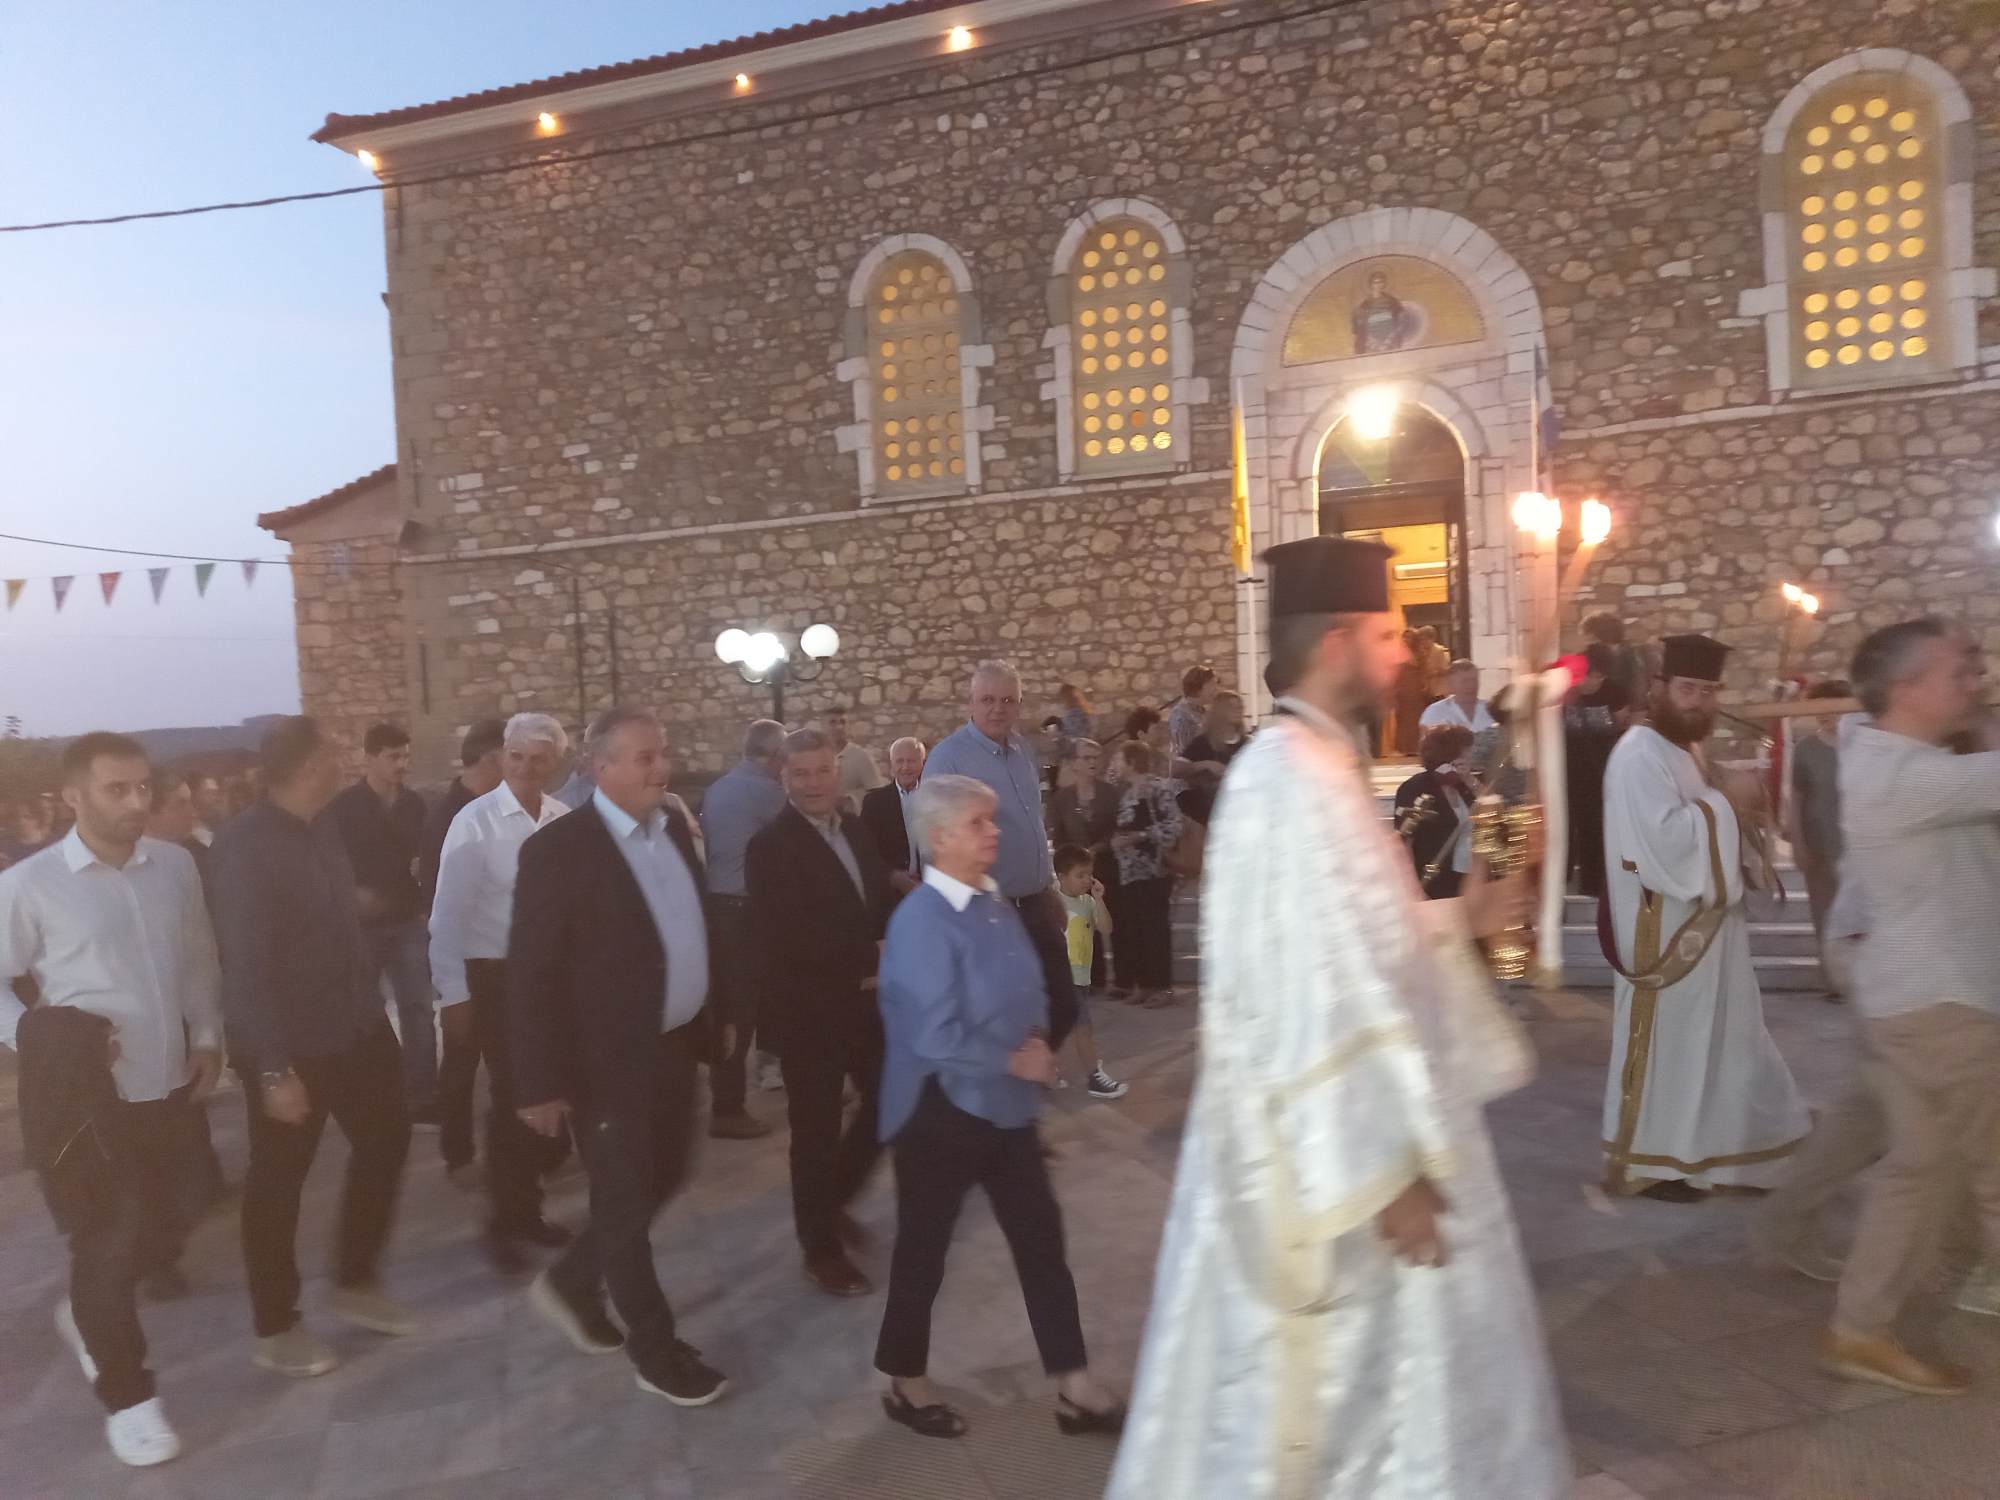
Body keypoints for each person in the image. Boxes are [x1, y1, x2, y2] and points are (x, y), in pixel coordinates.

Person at [1108, 537, 1566, 1499]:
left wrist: (1464, 918)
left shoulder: (1316, 767)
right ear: (1337, 642)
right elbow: (1300, 994)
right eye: (1389, 635)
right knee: (1343, 1413)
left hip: (1364, 1147)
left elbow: (1362, 942)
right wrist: (1384, 1173)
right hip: (1331, 1175)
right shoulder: (1288, 781)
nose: (1406, 655)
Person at [872, 774, 1126, 1440]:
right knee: (925, 1248)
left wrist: (1037, 1038)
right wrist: (1015, 1060)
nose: (995, 831)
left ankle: (1073, 1384)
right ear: (939, 837)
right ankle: (905, 1379)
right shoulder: (921, 921)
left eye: (992, 819)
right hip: (937, 1112)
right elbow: (933, 1034)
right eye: (978, 823)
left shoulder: (990, 901)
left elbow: (1025, 985)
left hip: (1005, 1107)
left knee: (1041, 1240)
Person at [0, 733, 223, 1468]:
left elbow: (197, 956)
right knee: (109, 1237)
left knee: (177, 1214)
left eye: (142, 787)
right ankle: (130, 1399)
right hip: (87, 1101)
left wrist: (207, 1035)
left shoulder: (175, 866)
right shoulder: (30, 885)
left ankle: (89, 1308)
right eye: (116, 789)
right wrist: (39, 1038)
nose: (136, 802)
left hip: (169, 1083)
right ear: (74, 797)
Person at [510, 707, 731, 1407]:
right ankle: (656, 1352)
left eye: (662, 753)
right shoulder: (559, 850)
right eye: (644, 757)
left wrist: (716, 1014)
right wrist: (537, 1082)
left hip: (672, 1047)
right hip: (603, 1063)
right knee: (626, 1201)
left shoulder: (674, 831)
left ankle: (573, 1282)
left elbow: (693, 926)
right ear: (599, 767)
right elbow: (531, 972)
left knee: (667, 1173)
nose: (662, 768)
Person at [1811, 619, 2000, 1394]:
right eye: (1960, 671)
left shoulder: (1901, 761)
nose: (1976, 680)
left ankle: (1860, 1329)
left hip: (1913, 1001)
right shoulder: (1901, 775)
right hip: (1944, 1004)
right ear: (1906, 689)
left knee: (1919, 1166)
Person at [212, 717, 417, 1379]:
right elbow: (244, 966)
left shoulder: (322, 826)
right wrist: (273, 1071)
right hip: (292, 1044)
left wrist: (354, 907)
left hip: (357, 1025)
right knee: (278, 1183)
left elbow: (325, 912)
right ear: (306, 767)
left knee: (387, 1139)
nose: (343, 760)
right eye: (333, 753)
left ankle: (356, 1280)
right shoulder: (243, 846)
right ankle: (276, 1326)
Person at [1600, 634, 1810, 1201]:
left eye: (1710, 691)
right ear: (1660, 687)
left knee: (1722, 1039)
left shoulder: (1684, 748)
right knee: (1673, 1046)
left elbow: (1701, 816)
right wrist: (1727, 802)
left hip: (1706, 923)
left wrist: (1726, 800)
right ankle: (1654, 1163)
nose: (1699, 702)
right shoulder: (1638, 754)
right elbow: (1662, 841)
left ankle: (1722, 1153)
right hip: (1664, 930)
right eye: (1689, 689)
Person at [747, 729, 891, 1297]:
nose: (812, 783)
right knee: (815, 1133)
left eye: (822, 771)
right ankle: (820, 1250)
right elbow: (787, 937)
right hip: (809, 1011)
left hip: (869, 1003)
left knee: (889, 1103)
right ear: (783, 777)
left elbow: (872, 900)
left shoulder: (853, 829)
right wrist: (871, 955)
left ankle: (833, 1199)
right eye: (800, 773)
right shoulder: (770, 847)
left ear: (838, 771)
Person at [429, 713, 574, 1267]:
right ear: (502, 757)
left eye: (539, 759)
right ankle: (510, 1220)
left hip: (551, 979)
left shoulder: (562, 819)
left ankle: (520, 1203)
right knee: (517, 1096)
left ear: (556, 763)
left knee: (543, 1094)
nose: (526, 768)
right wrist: (453, 993)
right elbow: (447, 916)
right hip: (496, 977)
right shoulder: (476, 823)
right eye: (517, 757)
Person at [922, 660, 1079, 1049]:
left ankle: (1028, 1071)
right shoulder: (949, 759)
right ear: (971, 703)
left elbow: (1032, 821)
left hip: (1035, 903)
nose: (998, 708)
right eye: (988, 699)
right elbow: (933, 842)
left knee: (1062, 1005)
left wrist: (1049, 885)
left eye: (1008, 700)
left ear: (1019, 704)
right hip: (989, 912)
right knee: (1002, 1017)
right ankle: (1012, 1078)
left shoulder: (1022, 749)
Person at [326, 724, 437, 1124]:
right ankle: (372, 1094)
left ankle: (423, 1095)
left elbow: (423, 859)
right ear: (369, 758)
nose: (401, 764)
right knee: (362, 1012)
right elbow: (332, 864)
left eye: (405, 756)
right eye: (393, 757)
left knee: (418, 1008)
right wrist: (352, 897)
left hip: (407, 920)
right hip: (364, 926)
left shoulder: (414, 805)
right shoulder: (343, 808)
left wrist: (423, 905)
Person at [419, 718, 507, 1184]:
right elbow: (441, 904)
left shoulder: (494, 809)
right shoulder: (451, 817)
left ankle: (532, 1149)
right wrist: (452, 985)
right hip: (465, 961)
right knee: (461, 1060)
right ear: (492, 758)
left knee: (505, 1060)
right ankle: (458, 1156)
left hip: (498, 958)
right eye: (510, 757)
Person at [697, 718, 789, 1138]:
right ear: (776, 756)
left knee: (738, 1008)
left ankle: (735, 1097)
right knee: (743, 1012)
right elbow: (800, 835)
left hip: (718, 907)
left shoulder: (720, 787)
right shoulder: (766, 791)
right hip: (746, 911)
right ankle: (728, 1108)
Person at [1045, 738, 1123, 991]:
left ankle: (1122, 980)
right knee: (1082, 924)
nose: (1093, 762)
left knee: (1112, 921)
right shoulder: (1061, 799)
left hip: (1108, 865)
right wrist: (1068, 864)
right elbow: (1057, 836)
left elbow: (1118, 827)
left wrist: (1098, 848)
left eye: (1096, 757)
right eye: (1086, 757)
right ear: (1072, 763)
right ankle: (1090, 979)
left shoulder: (1111, 793)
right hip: (1075, 872)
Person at [1112, 739, 1183, 1009]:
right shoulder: (1127, 793)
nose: (1115, 764)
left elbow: (1174, 825)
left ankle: (1162, 987)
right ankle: (1144, 985)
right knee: (1136, 930)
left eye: (1119, 759)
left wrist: (1141, 836)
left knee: (1155, 930)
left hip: (1154, 872)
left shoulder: (1158, 788)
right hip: (1130, 873)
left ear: (1132, 762)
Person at [1052, 844, 1126, 1098]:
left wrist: (1099, 899)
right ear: (1062, 877)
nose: (1086, 880)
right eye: (1080, 875)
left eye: (1089, 874)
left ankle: (1049, 1070)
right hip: (1062, 977)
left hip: (1081, 977)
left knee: (1064, 1027)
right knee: (1082, 1028)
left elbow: (1106, 928)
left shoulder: (1087, 902)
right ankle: (1094, 1076)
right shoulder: (1052, 901)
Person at [1788, 677, 1851, 963]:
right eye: (1819, 709)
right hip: (1820, 848)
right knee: (1826, 919)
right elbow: (1796, 798)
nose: (1825, 715)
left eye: (1832, 708)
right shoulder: (1806, 749)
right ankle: (1831, 978)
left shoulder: (1864, 746)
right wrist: (1798, 844)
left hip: (1859, 847)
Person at [1563, 644, 1633, 899]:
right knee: (1567, 828)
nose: (1595, 681)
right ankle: (1564, 883)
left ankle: (1595, 886)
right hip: (1568, 769)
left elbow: (1623, 723)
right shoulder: (1564, 691)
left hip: (1602, 769)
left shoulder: (1614, 691)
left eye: (1600, 676)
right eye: (1591, 675)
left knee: (1596, 828)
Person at [1393, 722, 1478, 899]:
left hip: (1472, 880)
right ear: (1451, 754)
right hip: (1437, 882)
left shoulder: (1467, 784)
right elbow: (1404, 842)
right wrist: (1414, 889)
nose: (1472, 756)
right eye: (1467, 751)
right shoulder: (1415, 788)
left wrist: (1470, 781)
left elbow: (1494, 810)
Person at [860, 736, 926, 897]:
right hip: (891, 893)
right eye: (899, 761)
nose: (905, 767)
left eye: (911, 761)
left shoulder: (935, 799)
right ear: (891, 765)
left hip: (930, 890)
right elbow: (865, 851)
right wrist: (894, 877)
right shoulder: (874, 802)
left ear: (922, 763)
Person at [1179, 689, 1248, 826]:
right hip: (1211, 815)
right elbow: (1176, 769)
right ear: (1220, 710)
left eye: (1240, 707)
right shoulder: (1203, 743)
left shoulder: (1248, 744)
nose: (1238, 710)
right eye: (1231, 706)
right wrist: (1205, 765)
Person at [823, 706, 884, 816]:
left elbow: (877, 793)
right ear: (823, 726)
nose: (839, 727)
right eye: (832, 722)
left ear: (848, 726)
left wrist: (850, 800)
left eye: (843, 722)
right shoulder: (817, 756)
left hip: (852, 820)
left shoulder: (861, 756)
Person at [1584, 611, 1651, 709]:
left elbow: (1638, 682)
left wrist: (1637, 707)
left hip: (1620, 706)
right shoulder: (1631, 650)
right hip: (1617, 705)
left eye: (1590, 636)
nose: (1588, 640)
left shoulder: (1629, 653)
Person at [1418, 658, 1498, 736]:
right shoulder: (1435, 712)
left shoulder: (1492, 710)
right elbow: (1427, 743)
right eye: (1465, 681)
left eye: (1474, 680)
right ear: (1451, 684)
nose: (1471, 685)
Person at [1388, 628, 1429, 756]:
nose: (1406, 640)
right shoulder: (1397, 653)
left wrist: (1424, 684)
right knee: (1402, 718)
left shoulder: (1420, 653)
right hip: (1401, 688)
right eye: (1404, 637)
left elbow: (1424, 670)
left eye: (1409, 637)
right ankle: (1403, 747)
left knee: (1415, 718)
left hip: (1415, 689)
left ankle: (1415, 747)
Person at [1167, 665, 1218, 758]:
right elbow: (1184, 753)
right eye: (1211, 684)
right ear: (1197, 687)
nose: (1215, 689)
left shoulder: (1204, 712)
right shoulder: (1181, 715)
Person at [189, 775, 224, 847]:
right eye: (208, 793)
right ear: (197, 795)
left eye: (215, 793)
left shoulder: (223, 819)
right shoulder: (188, 819)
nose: (213, 798)